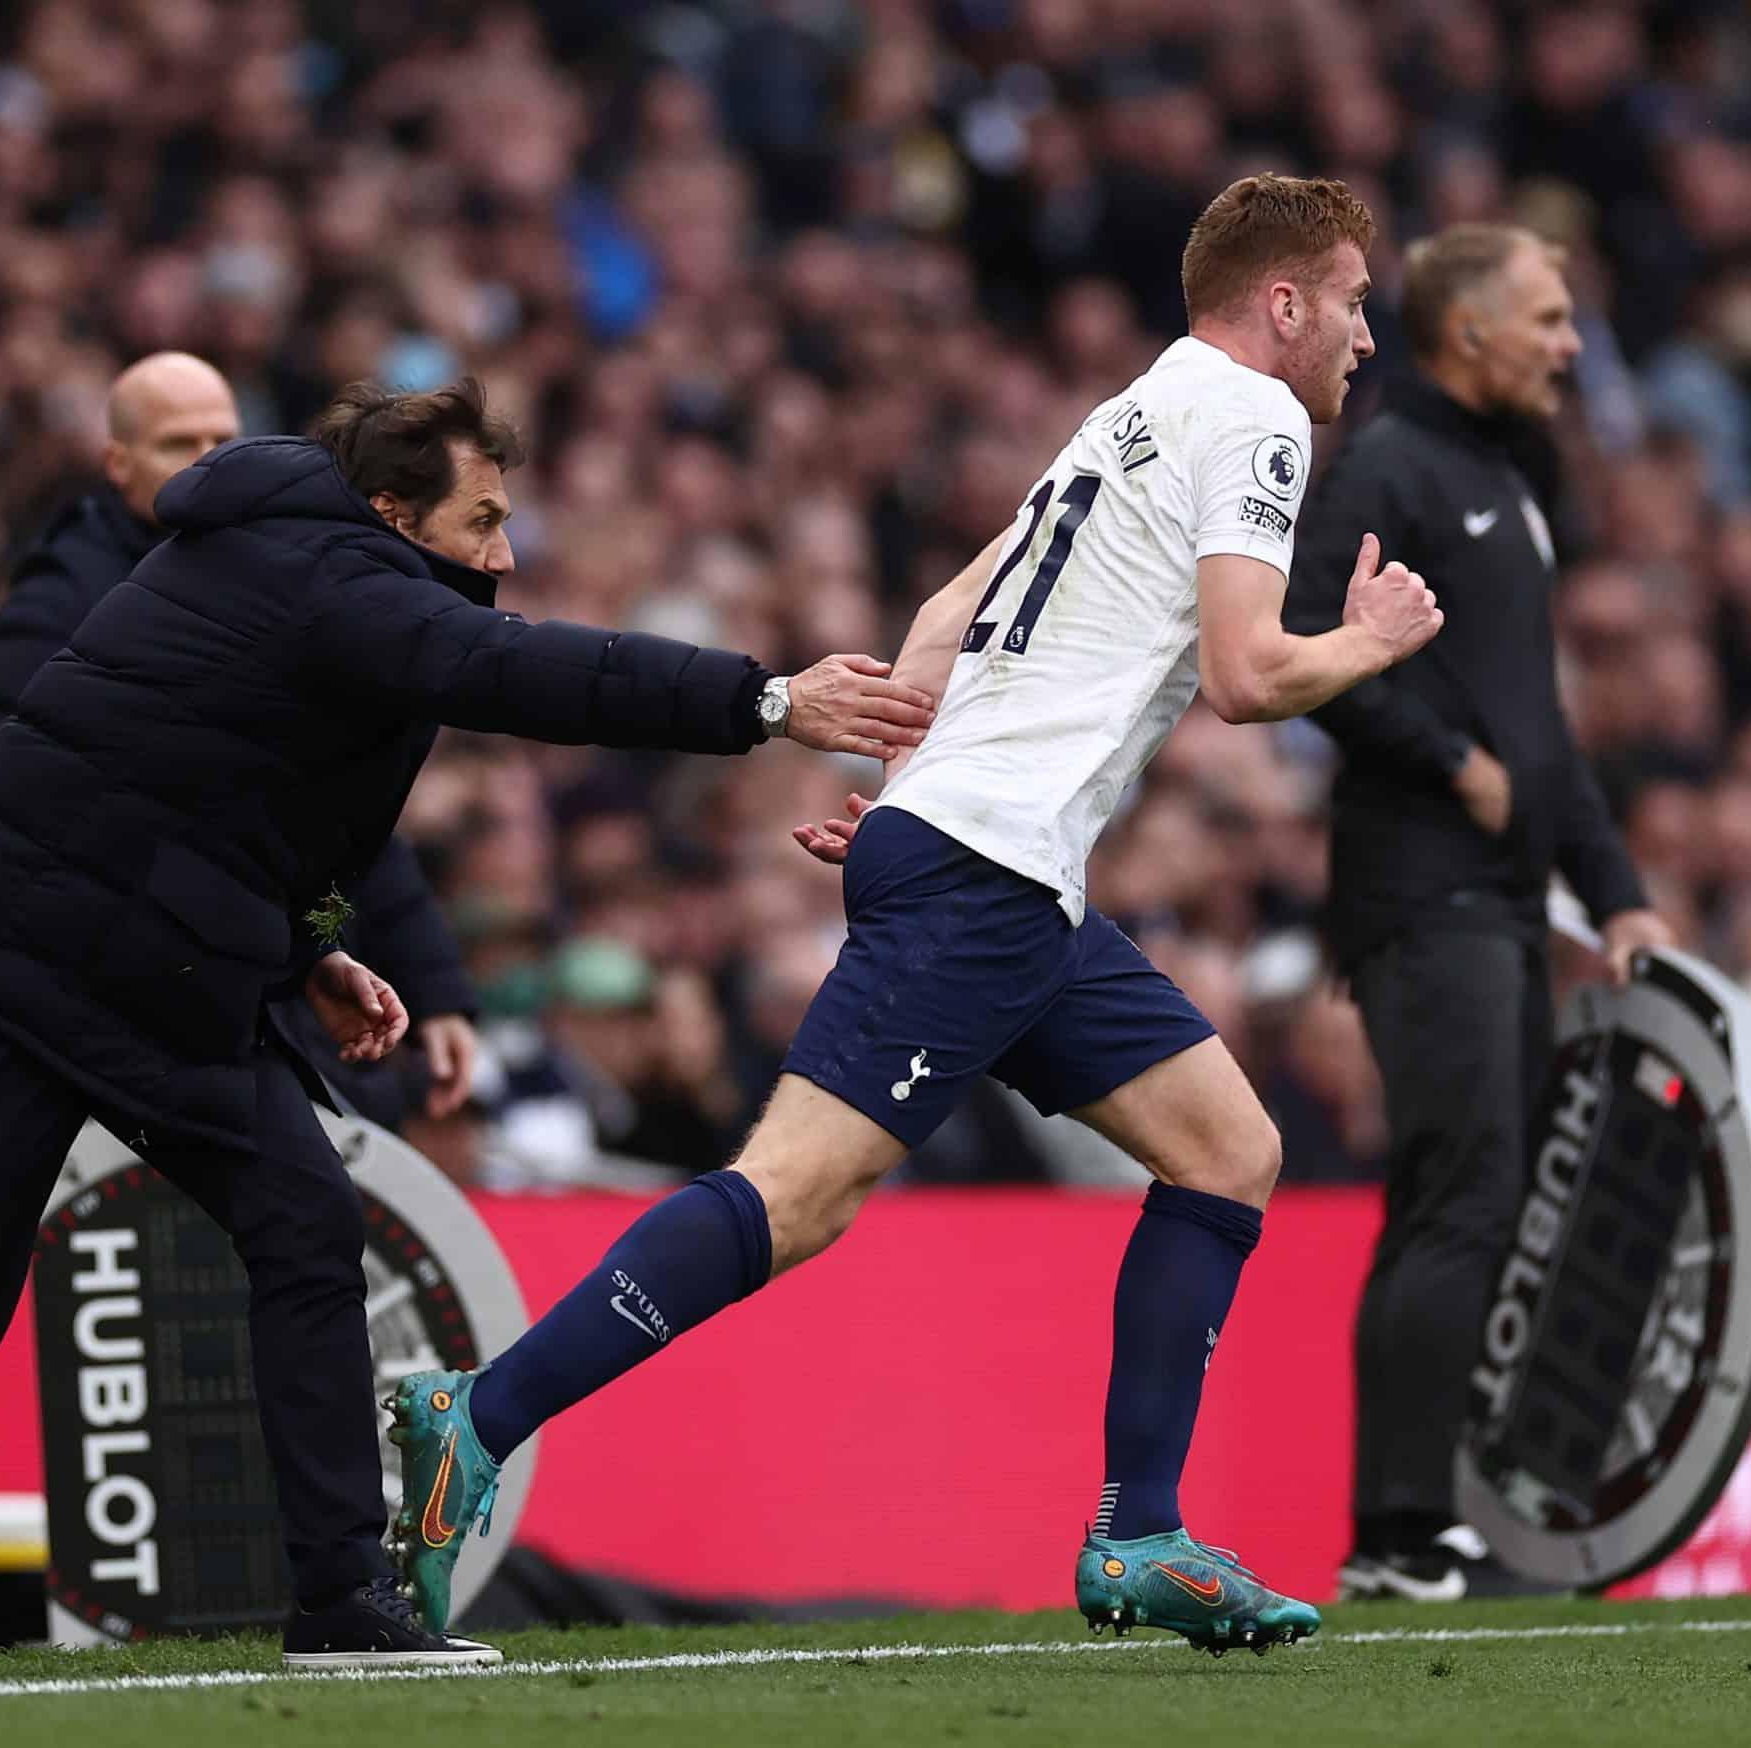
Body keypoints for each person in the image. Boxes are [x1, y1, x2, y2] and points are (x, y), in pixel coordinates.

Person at [0, 379, 934, 1670]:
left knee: (308, 1225)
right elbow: (520, 670)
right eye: (483, 519)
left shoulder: (315, 565)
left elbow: (226, 791)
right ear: (393, 510)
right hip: (0, 976)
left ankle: (341, 1599)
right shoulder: (329, 575)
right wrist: (763, 702)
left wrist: (311, 949)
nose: (504, 552)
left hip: (150, 978)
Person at [384, 174, 1441, 1655]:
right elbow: (1247, 675)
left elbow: (952, 610)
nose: (1365, 335)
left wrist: (908, 791)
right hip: (984, 873)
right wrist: (1371, 640)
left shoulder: (1129, 414)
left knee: (1229, 1148)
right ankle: (477, 1417)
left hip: (996, 866)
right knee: (795, 1196)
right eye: (1350, 302)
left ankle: (1140, 1531)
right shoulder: (1255, 415)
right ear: (1283, 302)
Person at [1280, 223, 1675, 1603]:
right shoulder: (1390, 465)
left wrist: (1618, 894)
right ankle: (1398, 1532)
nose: (1570, 345)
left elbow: (1538, 727)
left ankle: (1444, 1516)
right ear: (1468, 332)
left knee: (1482, 1203)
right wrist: (1453, 763)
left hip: (1500, 898)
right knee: (1463, 1197)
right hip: (1419, 889)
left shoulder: (1511, 475)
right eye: (1549, 318)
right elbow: (1303, 645)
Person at [0, 352, 482, 1124]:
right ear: (118, 463)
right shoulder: (53, 608)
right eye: (180, 443)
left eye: (224, 439)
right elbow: (12, 804)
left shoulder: (288, 576)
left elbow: (347, 807)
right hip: (130, 997)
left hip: (275, 971)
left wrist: (434, 985)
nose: (209, 461)